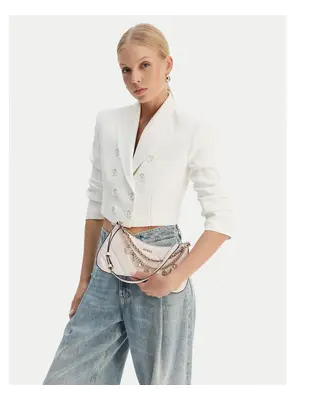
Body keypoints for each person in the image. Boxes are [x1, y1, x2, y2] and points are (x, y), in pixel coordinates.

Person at [43, 23, 233, 385]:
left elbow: (221, 218)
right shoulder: (108, 122)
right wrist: (84, 280)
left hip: (159, 267)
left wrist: (175, 278)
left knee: (163, 383)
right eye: (126, 69)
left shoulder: (192, 129)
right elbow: (96, 203)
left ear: (168, 64)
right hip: (106, 265)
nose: (135, 79)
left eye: (145, 65)